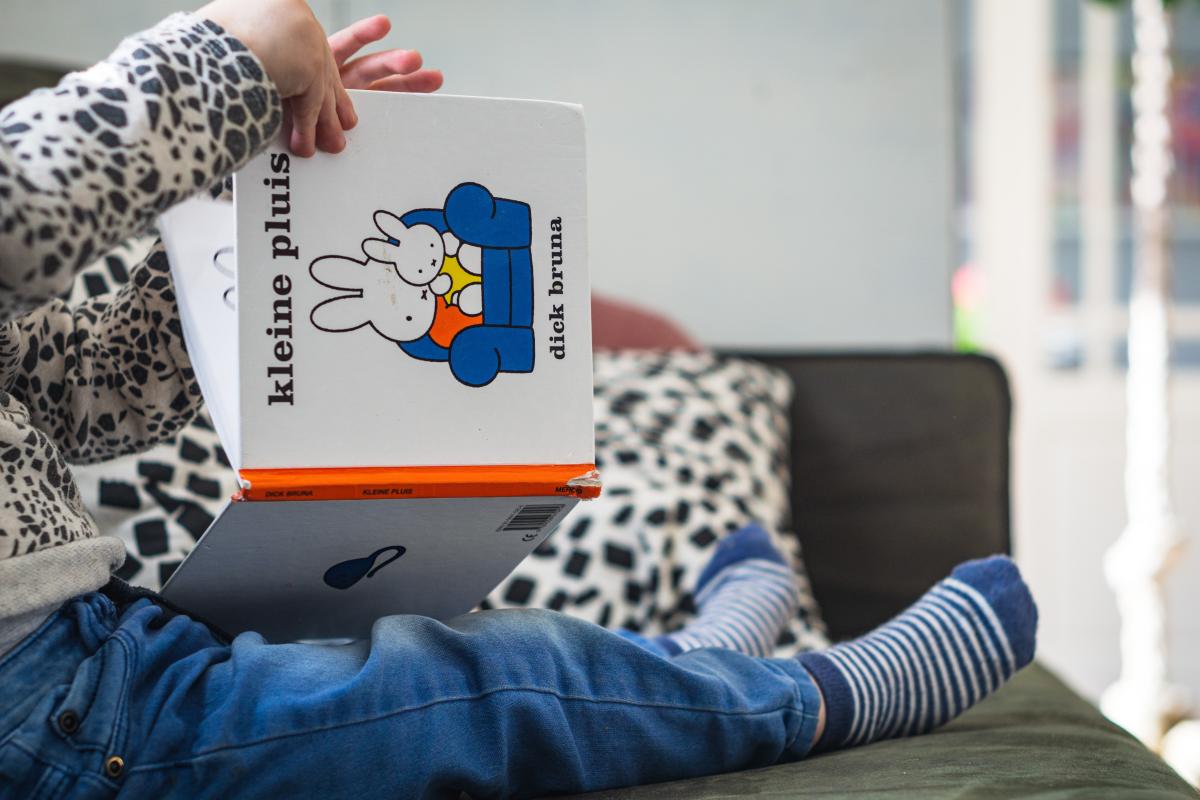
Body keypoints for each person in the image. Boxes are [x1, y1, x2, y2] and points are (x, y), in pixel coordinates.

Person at [0, 2, 1039, 796]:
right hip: (48, 710)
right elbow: (20, 211)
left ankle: (694, 663)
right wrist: (226, 53)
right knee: (473, 683)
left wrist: (266, 201)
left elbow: (97, 394)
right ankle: (818, 694)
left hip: (90, 643)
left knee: (393, 610)